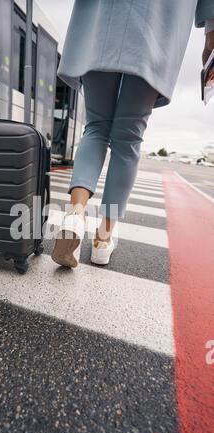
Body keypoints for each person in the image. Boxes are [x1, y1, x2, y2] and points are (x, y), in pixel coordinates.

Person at [51, 0, 214, 268]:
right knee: (128, 141)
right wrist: (211, 31)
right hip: (159, 23)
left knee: (95, 127)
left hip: (101, 17)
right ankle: (103, 239)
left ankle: (75, 214)